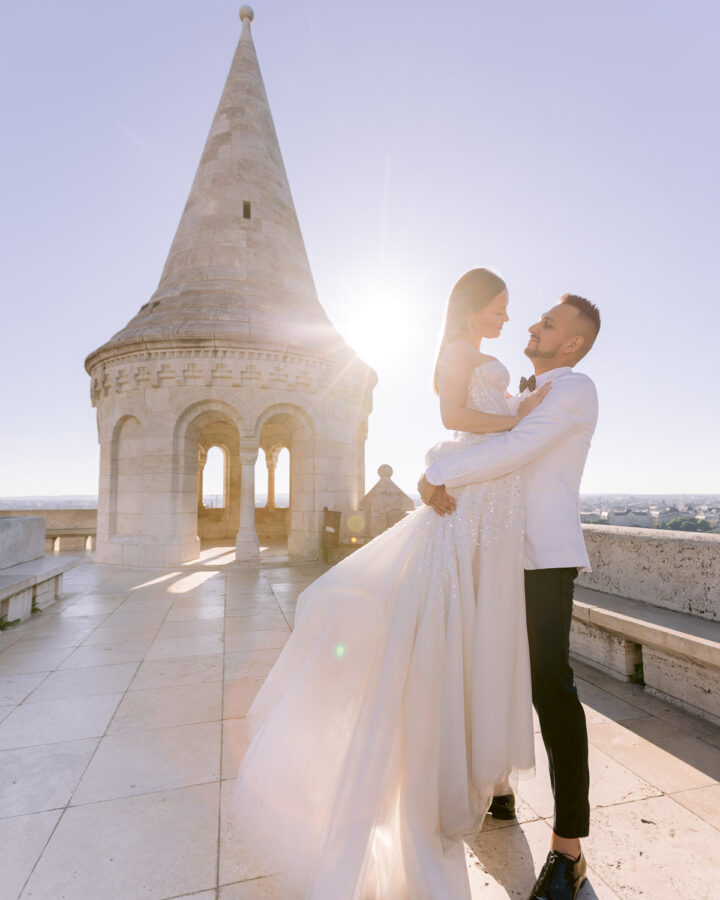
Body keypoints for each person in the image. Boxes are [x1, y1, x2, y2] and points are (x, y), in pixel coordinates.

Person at [231, 268, 548, 899]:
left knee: (478, 634)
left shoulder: (480, 355)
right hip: (471, 503)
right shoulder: (459, 353)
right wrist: (519, 415)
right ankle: (439, 779)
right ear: (472, 308)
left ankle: (473, 776)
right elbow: (455, 413)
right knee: (448, 634)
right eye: (500, 309)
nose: (506, 319)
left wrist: (513, 413)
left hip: (490, 505)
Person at [420, 293, 601, 900]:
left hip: (542, 561)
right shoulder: (532, 393)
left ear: (572, 343)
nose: (532, 324)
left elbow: (514, 449)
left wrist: (438, 474)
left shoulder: (575, 389)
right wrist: (443, 463)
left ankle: (568, 849)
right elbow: (486, 435)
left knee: (552, 689)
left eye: (548, 323)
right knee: (491, 668)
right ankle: (499, 788)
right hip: (494, 554)